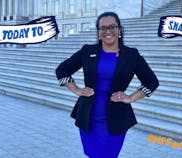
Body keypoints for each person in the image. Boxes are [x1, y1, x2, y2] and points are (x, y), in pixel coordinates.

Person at [56, 12, 159, 158]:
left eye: (112, 27)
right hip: (88, 117)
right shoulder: (87, 51)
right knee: (93, 154)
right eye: (103, 28)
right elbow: (62, 70)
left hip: (116, 119)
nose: (108, 31)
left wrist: (130, 98)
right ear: (98, 32)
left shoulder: (131, 55)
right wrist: (76, 89)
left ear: (119, 30)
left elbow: (152, 81)